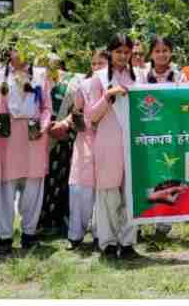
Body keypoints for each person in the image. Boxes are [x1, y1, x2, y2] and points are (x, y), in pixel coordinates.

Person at [0, 46, 51, 253]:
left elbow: (46, 108)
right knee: (6, 188)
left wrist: (43, 127)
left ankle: (29, 233)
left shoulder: (40, 74)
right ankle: (5, 236)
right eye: (16, 49)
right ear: (9, 52)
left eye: (25, 49)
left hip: (33, 137)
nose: (20, 54)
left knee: (33, 187)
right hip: (7, 138)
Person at [85, 35, 138, 260]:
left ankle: (127, 242)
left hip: (133, 141)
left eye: (127, 52)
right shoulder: (97, 79)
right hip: (107, 142)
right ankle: (107, 243)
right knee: (107, 193)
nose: (123, 56)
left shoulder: (139, 76)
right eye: (118, 52)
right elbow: (90, 117)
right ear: (110, 53)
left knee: (130, 193)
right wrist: (108, 95)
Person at [59, 48, 107, 250]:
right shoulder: (84, 85)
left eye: (101, 64)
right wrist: (72, 122)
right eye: (94, 64)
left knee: (103, 191)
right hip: (85, 140)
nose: (97, 68)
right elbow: (76, 111)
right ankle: (75, 235)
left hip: (107, 141)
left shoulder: (113, 85)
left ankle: (101, 234)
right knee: (79, 188)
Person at [39, 55, 75, 238]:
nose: (48, 66)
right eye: (44, 63)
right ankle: (39, 223)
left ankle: (61, 222)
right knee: (40, 183)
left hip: (62, 138)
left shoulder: (71, 80)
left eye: (52, 62)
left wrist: (65, 124)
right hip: (37, 139)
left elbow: (78, 107)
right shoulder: (33, 79)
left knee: (61, 180)